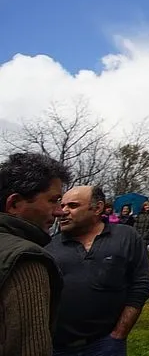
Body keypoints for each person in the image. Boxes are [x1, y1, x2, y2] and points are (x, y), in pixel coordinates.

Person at [47, 184, 149, 356]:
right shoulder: (49, 246)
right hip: (57, 348)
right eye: (62, 206)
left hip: (105, 345)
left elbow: (141, 284)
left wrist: (119, 334)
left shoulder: (126, 237)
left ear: (97, 208)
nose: (62, 211)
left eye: (72, 206)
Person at [0, 152, 70, 356]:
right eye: (53, 200)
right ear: (14, 204)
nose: (60, 211)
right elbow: (31, 349)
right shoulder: (25, 259)